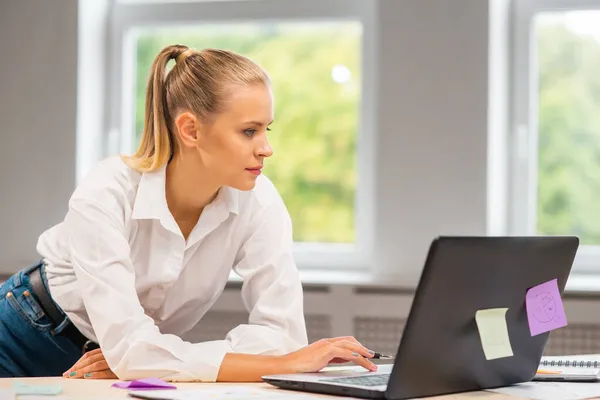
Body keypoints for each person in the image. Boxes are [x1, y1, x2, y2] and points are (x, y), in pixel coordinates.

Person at [0, 44, 378, 381]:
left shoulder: (259, 201)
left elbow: (283, 336)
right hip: (22, 334)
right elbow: (284, 356)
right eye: (249, 131)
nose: (266, 148)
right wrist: (286, 365)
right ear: (190, 129)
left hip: (111, 364)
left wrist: (146, 358)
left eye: (267, 130)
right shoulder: (107, 191)